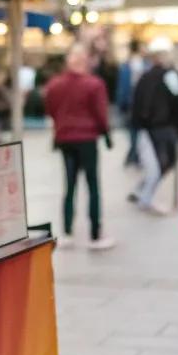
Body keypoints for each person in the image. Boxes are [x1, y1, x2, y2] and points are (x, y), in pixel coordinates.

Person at [44, 46, 114, 250]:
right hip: (87, 139)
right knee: (92, 186)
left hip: (64, 138)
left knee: (69, 186)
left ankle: (67, 232)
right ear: (85, 62)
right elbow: (101, 113)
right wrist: (106, 134)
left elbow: (50, 110)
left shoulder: (54, 84)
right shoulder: (94, 84)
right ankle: (95, 235)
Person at [129, 36, 178, 214]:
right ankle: (145, 195)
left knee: (162, 162)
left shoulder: (147, 77)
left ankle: (142, 190)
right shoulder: (169, 76)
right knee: (163, 162)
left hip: (154, 127)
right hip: (163, 127)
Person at [116, 40, 146, 166]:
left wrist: (121, 104)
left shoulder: (126, 66)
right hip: (140, 103)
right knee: (138, 130)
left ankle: (133, 153)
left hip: (131, 103)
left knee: (132, 130)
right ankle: (134, 153)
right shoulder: (145, 65)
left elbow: (122, 87)